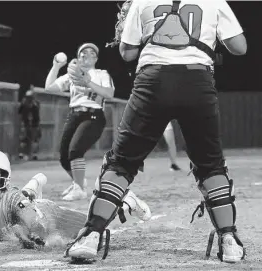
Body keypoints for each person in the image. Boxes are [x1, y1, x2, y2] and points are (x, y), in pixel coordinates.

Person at [65, 0, 247, 263]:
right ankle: (229, 239)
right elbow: (239, 47)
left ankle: (90, 235)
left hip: (153, 80)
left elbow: (127, 53)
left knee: (122, 162)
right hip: (197, 81)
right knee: (211, 165)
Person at [0, 148, 151, 248]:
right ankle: (37, 182)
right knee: (27, 195)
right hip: (26, 202)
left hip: (48, 215)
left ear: (4, 177)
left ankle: (125, 201)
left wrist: (31, 234)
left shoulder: (13, 199)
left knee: (94, 228)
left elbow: (35, 225)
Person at [45, 43, 115, 201]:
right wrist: (56, 66)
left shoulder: (101, 74)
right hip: (74, 115)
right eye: (83, 52)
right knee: (64, 157)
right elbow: (49, 87)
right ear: (78, 57)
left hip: (93, 115)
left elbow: (109, 94)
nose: (86, 54)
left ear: (96, 58)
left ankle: (80, 189)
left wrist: (87, 82)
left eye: (91, 52)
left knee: (75, 151)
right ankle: (78, 181)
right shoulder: (72, 75)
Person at [18, 89, 41, 161]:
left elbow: (19, 112)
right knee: (26, 140)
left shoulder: (27, 104)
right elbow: (19, 112)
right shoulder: (34, 104)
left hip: (30, 124)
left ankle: (29, 154)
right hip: (29, 124)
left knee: (30, 140)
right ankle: (26, 154)